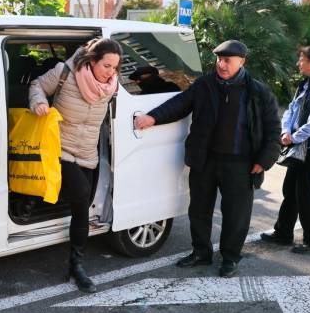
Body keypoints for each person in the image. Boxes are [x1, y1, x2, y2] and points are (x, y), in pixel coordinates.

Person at [134, 40, 281, 278]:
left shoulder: (258, 92)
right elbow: (180, 104)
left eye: (227, 61)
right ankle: (201, 253)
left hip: (241, 163)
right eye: (219, 60)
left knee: (236, 214)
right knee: (199, 210)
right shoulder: (205, 85)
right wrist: (153, 117)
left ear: (241, 62)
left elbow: (273, 128)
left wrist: (265, 160)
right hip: (206, 159)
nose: (221, 65)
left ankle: (230, 257)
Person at [29, 37, 122, 293]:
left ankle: (76, 264)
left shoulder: (111, 86)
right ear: (92, 61)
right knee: (81, 193)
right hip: (60, 149)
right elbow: (37, 85)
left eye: (115, 67)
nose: (110, 72)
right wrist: (38, 102)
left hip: (88, 154)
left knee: (83, 207)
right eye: (106, 66)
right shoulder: (65, 72)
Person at [261, 45, 310, 254]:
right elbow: (291, 109)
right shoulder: (306, 83)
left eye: (301, 59)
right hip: (300, 143)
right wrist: (285, 131)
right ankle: (283, 233)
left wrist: (293, 137)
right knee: (290, 188)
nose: (298, 63)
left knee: (305, 190)